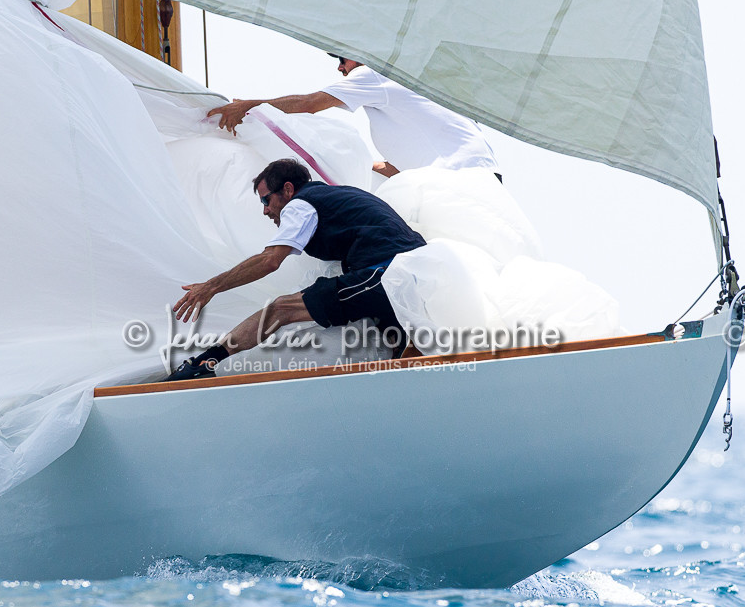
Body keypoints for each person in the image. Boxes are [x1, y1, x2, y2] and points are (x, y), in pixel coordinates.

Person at [164, 158, 426, 381]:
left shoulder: (301, 204)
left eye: (266, 200)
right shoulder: (334, 197)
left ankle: (202, 365)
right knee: (397, 349)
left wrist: (211, 287)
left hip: (386, 273)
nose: (266, 211)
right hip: (412, 275)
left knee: (281, 309)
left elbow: (270, 260)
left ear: (288, 190)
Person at [206, 54, 499, 178]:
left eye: (340, 59)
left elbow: (310, 103)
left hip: (463, 180)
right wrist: (347, 160)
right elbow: (399, 167)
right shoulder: (412, 82)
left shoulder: (375, 74)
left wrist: (251, 105)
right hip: (479, 178)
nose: (340, 68)